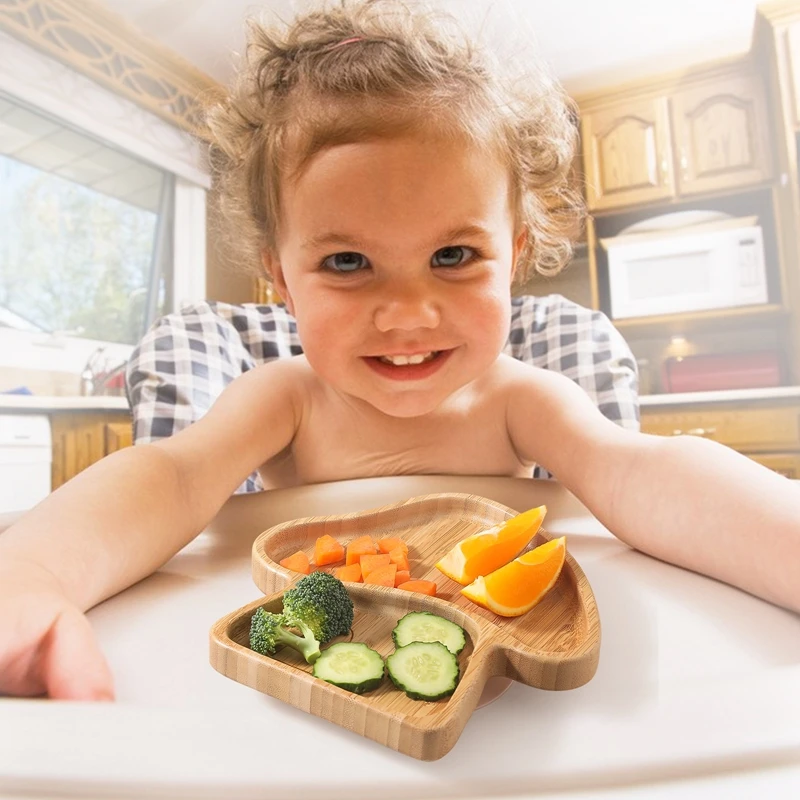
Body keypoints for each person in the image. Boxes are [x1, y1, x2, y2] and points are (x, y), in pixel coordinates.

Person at [1, 0, 798, 703]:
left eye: (454, 256)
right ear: (281, 279)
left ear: (514, 254)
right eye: (347, 263)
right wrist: (29, 579)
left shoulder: (521, 400)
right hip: (309, 685)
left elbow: (641, 472)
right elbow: (170, 480)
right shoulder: (287, 397)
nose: (409, 315)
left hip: (489, 680)